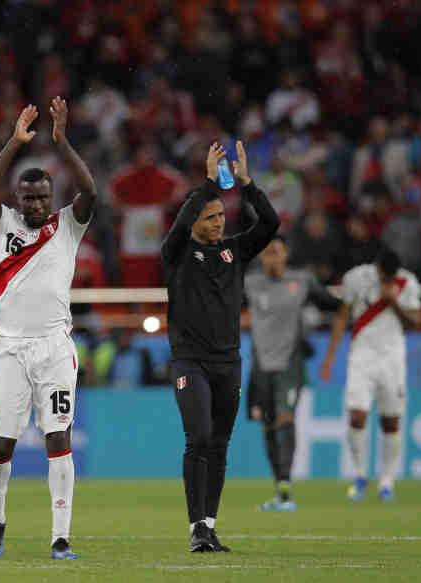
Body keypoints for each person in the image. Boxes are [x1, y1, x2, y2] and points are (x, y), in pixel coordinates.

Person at [0, 97, 96, 561]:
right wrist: (14, 142)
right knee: (1, 446)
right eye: (28, 197)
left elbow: (92, 192)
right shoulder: (0, 223)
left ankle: (60, 536)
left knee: (58, 437)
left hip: (54, 348)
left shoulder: (67, 226)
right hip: (8, 348)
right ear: (18, 199)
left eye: (43, 196)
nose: (36, 204)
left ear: (51, 196)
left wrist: (62, 144)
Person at [162, 142, 278, 553]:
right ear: (194, 218)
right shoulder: (176, 253)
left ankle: (209, 525)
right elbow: (179, 223)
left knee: (220, 444)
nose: (217, 222)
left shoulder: (235, 252)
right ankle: (196, 527)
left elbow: (269, 222)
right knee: (199, 436)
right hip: (188, 362)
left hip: (228, 362)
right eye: (210, 216)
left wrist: (245, 183)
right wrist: (210, 181)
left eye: (221, 216)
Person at [245, 236, 340, 511]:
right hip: (261, 365)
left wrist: (355, 306)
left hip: (290, 363)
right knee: (268, 426)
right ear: (261, 258)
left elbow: (334, 304)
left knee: (286, 419)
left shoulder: (302, 281)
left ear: (286, 255)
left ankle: (285, 485)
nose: (273, 256)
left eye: (277, 251)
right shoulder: (249, 282)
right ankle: (279, 488)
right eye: (268, 252)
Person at [319, 247, 420, 502]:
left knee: (391, 421)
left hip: (392, 358)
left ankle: (387, 481)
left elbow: (414, 322)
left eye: (390, 277)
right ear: (377, 269)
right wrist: (330, 356)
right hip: (361, 356)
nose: (387, 281)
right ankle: (360, 475)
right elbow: (342, 316)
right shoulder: (356, 278)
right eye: (384, 276)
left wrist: (394, 301)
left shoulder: (407, 282)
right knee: (357, 415)